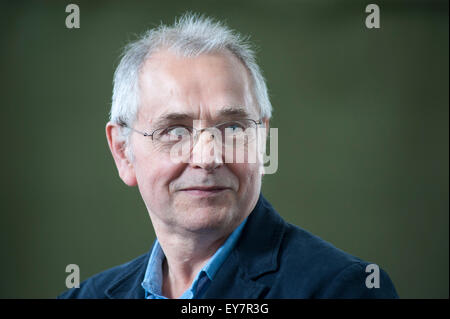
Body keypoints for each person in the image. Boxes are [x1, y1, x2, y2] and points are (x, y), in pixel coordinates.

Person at [58, 13, 398, 299]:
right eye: (175, 131)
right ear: (123, 151)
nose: (207, 158)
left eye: (233, 129)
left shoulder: (345, 289)